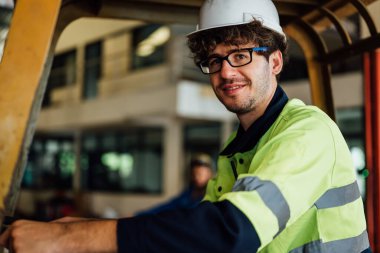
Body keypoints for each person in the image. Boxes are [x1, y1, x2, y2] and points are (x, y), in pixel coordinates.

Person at [0, 0, 370, 252]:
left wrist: (71, 238)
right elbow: (195, 232)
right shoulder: (239, 151)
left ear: (274, 62)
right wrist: (75, 227)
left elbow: (232, 231)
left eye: (241, 55)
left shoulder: (308, 133)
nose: (226, 71)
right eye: (215, 60)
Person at [136, 153, 214, 215]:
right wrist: (139, 215)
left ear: (210, 174)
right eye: (194, 173)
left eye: (200, 174)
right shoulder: (188, 194)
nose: (196, 177)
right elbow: (167, 206)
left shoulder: (213, 198)